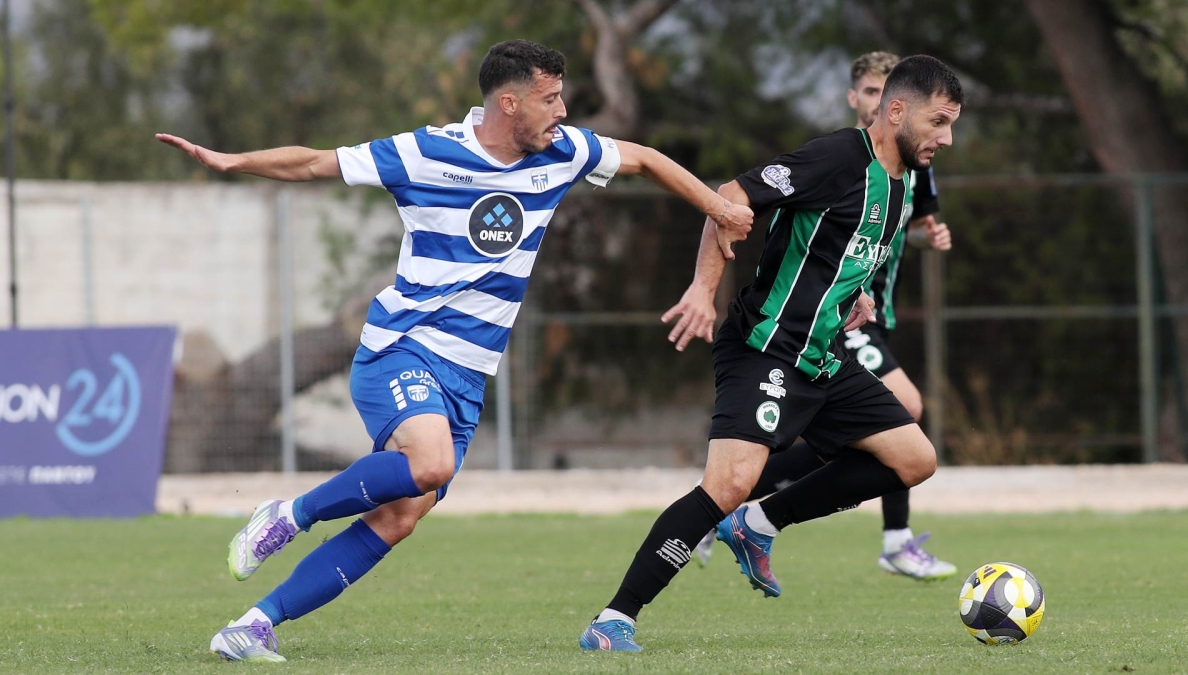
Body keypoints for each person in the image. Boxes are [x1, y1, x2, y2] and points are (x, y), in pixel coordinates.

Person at [158, 39, 754, 663]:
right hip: (402, 347)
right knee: (431, 464)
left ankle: (254, 625)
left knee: (400, 517)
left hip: (469, 375)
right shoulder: (425, 153)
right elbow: (313, 164)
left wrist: (718, 207)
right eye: (550, 99)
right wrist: (230, 161)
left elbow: (646, 159)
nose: (562, 111)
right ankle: (288, 515)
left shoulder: (563, 152)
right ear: (509, 102)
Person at [579, 55, 963, 652]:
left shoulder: (900, 183)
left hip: (823, 356)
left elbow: (839, 250)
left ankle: (759, 523)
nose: (947, 138)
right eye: (938, 122)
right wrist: (702, 291)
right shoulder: (838, 158)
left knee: (913, 458)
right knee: (730, 481)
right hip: (765, 348)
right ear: (896, 111)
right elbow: (731, 198)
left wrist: (855, 294)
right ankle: (614, 619)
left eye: (951, 125)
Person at [689, 52, 957, 581]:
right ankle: (892, 539)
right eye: (870, 91)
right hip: (822, 317)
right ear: (863, 100)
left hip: (867, 310)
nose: (876, 100)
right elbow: (753, 205)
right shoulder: (839, 158)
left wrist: (927, 240)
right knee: (903, 406)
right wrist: (704, 286)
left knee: (864, 433)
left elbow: (903, 233)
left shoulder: (916, 165)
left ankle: (732, 509)